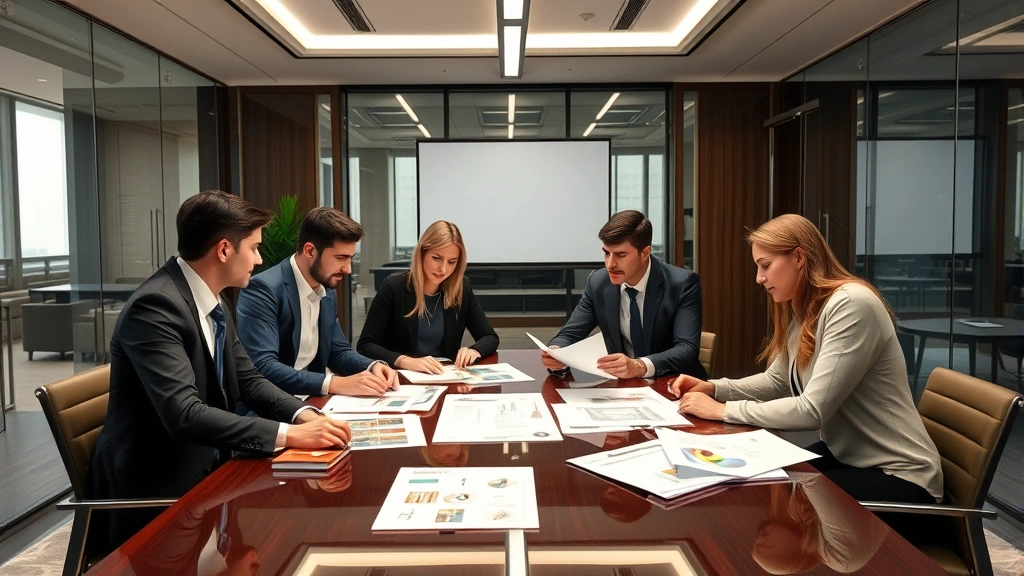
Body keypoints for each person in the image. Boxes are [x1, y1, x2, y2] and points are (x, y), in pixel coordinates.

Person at [91, 191, 353, 547]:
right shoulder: (156, 307)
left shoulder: (212, 299)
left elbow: (249, 380)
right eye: (254, 248)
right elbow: (185, 414)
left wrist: (305, 415)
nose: (260, 260)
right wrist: (289, 436)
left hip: (213, 468)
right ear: (225, 250)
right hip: (159, 486)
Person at [670, 213, 942, 504]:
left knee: (784, 498)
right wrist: (714, 388)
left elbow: (811, 410)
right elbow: (777, 380)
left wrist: (723, 410)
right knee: (766, 478)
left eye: (765, 266)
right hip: (850, 456)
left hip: (900, 474)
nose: (759, 278)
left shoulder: (851, 304)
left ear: (799, 257)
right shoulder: (808, 310)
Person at [236, 208, 397, 401]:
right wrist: (334, 383)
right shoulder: (263, 290)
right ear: (310, 250)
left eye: (350, 258)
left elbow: (338, 352)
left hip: (314, 400)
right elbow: (264, 366)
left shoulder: (326, 289)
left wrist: (373, 366)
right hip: (270, 407)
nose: (347, 269)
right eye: (340, 258)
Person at [541, 210, 708, 380]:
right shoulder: (598, 282)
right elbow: (570, 334)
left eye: (621, 255)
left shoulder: (682, 284)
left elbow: (687, 349)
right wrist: (557, 351)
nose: (610, 264)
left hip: (675, 383)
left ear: (645, 252)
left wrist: (640, 366)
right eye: (606, 253)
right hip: (624, 388)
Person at [357, 220, 498, 373]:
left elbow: (489, 337)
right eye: (436, 258)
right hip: (402, 380)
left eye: (452, 262)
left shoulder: (461, 288)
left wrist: (475, 350)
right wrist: (404, 361)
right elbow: (366, 344)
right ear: (422, 253)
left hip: (445, 377)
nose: (443, 269)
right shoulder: (394, 287)